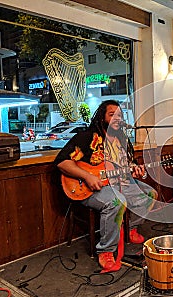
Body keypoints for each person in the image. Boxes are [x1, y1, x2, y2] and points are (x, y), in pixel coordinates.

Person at [55, 100, 157, 273]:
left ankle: (131, 228)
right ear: (101, 117)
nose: (117, 118)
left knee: (150, 194)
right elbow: (61, 162)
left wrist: (139, 172)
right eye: (112, 115)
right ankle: (106, 250)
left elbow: (128, 167)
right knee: (117, 201)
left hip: (120, 182)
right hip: (89, 187)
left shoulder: (122, 139)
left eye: (120, 115)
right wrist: (86, 176)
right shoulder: (87, 137)